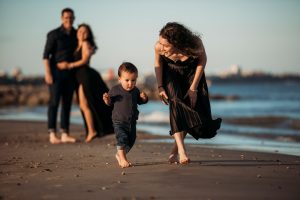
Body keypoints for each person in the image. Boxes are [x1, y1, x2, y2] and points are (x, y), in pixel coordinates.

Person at [154, 22, 222, 164]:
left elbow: (202, 61)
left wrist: (193, 88)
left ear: (177, 42)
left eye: (166, 45)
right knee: (176, 103)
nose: (162, 47)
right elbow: (158, 64)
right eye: (160, 42)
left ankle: (175, 150)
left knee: (196, 119)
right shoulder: (158, 47)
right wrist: (160, 86)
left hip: (193, 75)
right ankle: (181, 151)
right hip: (171, 73)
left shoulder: (195, 44)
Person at [57, 23, 113, 143]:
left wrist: (69, 65)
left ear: (88, 34)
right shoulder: (77, 44)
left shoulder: (85, 43)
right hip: (79, 77)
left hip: (85, 75)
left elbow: (85, 60)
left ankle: (92, 131)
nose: (82, 33)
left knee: (84, 104)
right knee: (83, 104)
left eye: (85, 32)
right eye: (80, 31)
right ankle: (91, 130)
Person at [103, 62, 148, 168]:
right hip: (119, 120)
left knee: (131, 140)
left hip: (131, 121)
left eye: (133, 80)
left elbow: (140, 102)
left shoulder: (135, 90)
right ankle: (123, 159)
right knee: (122, 138)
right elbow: (109, 103)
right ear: (119, 79)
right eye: (127, 80)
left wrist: (144, 98)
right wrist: (107, 99)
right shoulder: (115, 90)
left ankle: (120, 154)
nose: (130, 83)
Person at [43, 8, 78, 144]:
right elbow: (46, 56)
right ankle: (52, 133)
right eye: (66, 18)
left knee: (67, 103)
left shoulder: (76, 34)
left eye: (70, 17)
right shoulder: (53, 34)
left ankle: (65, 133)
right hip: (55, 73)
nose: (68, 20)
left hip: (70, 74)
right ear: (62, 18)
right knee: (54, 102)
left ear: (74, 18)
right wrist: (48, 73)